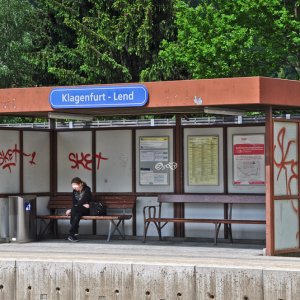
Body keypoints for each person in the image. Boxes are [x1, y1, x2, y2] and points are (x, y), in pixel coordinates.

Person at [66, 177, 92, 242]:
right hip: (78, 210)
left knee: (74, 209)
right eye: (73, 187)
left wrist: (71, 209)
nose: (74, 188)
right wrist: (74, 207)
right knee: (77, 214)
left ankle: (73, 232)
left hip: (87, 210)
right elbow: (74, 203)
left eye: (75, 186)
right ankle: (72, 234)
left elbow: (83, 201)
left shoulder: (87, 189)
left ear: (80, 184)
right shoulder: (74, 192)